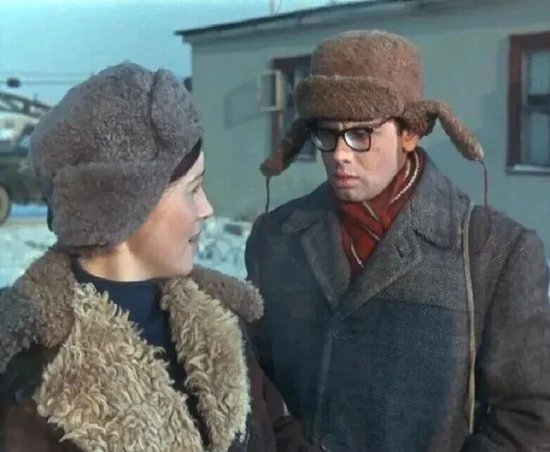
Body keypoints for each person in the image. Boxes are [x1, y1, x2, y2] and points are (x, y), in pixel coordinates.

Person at [245, 30, 550, 451]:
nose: (340, 155)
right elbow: (254, 385)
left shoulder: (494, 253)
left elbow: (530, 418)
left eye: (361, 134)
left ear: (410, 133)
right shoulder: (276, 239)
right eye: (327, 134)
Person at [0, 62, 314, 452]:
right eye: (193, 189)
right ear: (128, 206)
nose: (207, 209)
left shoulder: (218, 319)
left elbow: (276, 431)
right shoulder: (32, 376)